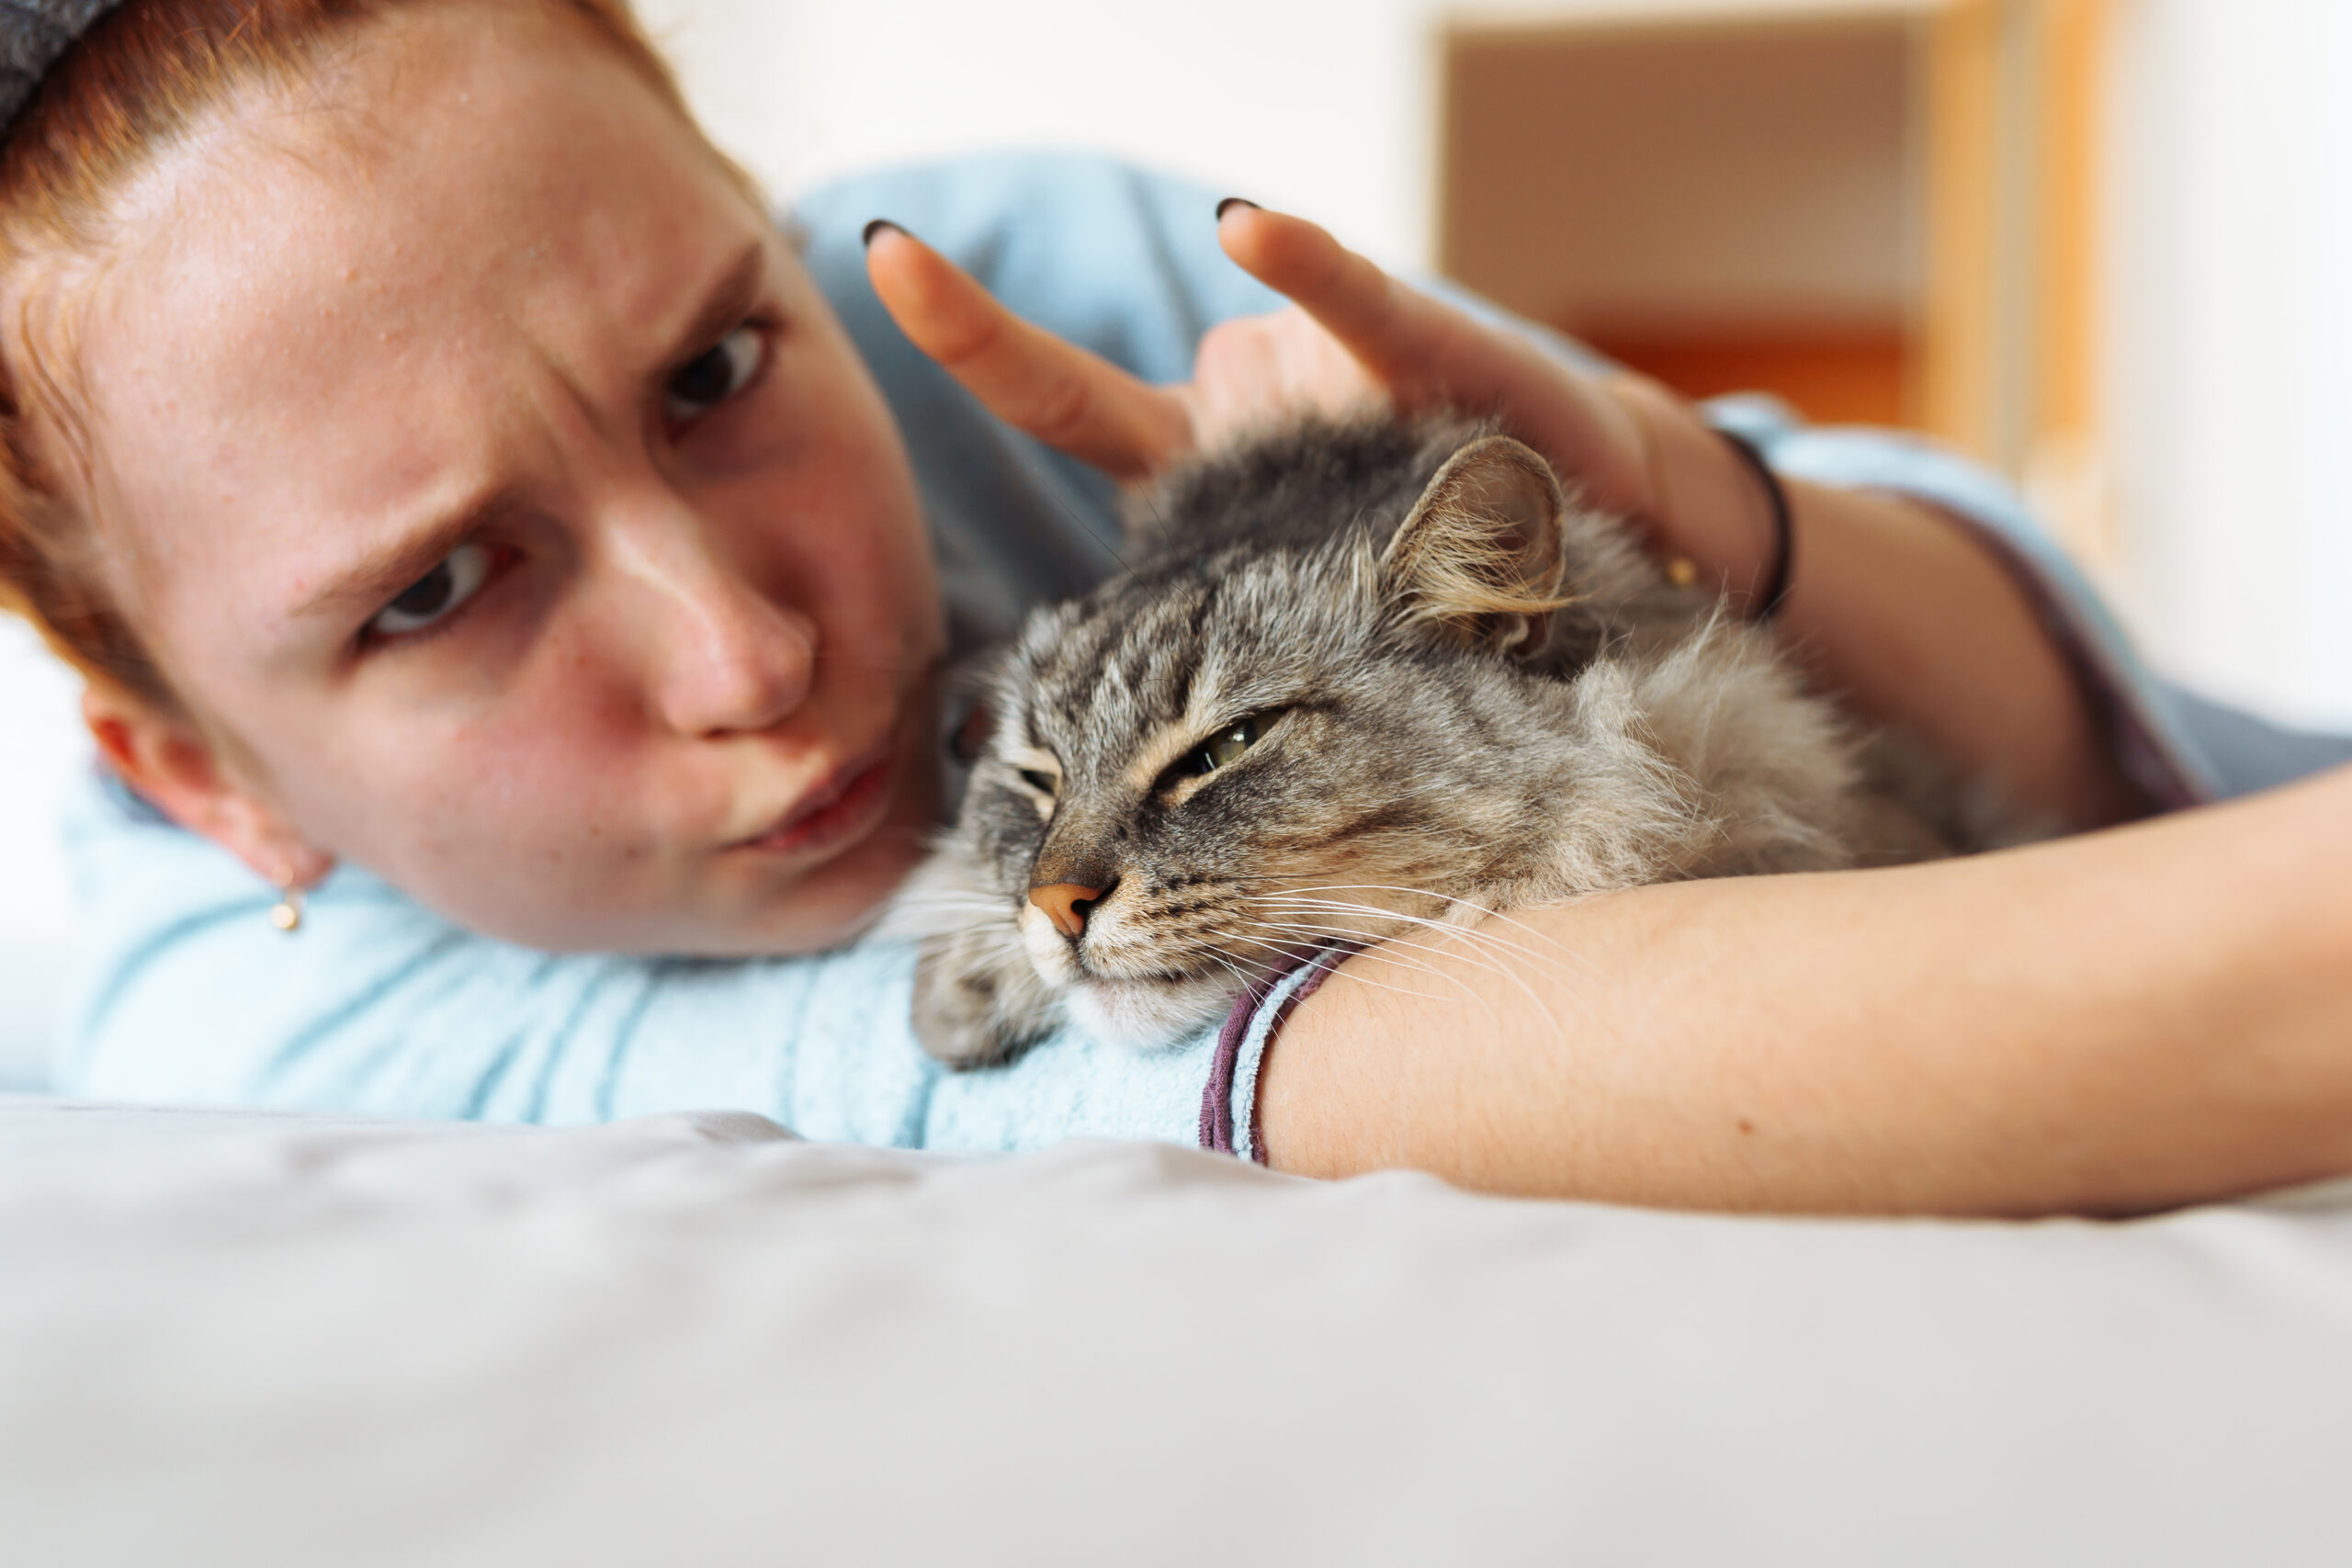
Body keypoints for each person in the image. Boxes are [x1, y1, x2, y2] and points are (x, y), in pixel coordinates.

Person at [4, 0, 2346, 1215]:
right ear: (205, 775)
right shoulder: (243, 1037)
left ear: (781, 228)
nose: (751, 653)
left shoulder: (1007, 288)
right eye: (434, 591)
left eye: (718, 367)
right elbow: (1108, 1068)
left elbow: (2095, 729)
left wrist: (1683, 495)